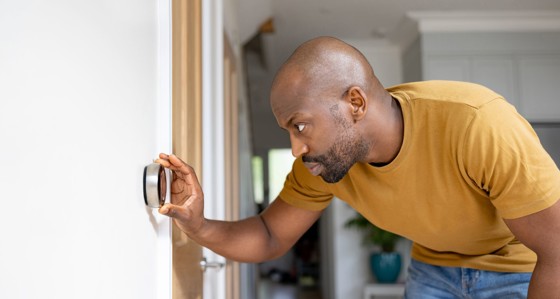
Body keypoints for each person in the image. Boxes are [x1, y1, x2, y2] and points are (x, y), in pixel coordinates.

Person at [156, 36, 560, 298]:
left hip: (519, 271)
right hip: (433, 270)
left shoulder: (477, 123)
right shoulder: (321, 163)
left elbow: (556, 251)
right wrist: (198, 224)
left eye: (300, 125)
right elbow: (268, 236)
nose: (296, 149)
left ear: (356, 103)